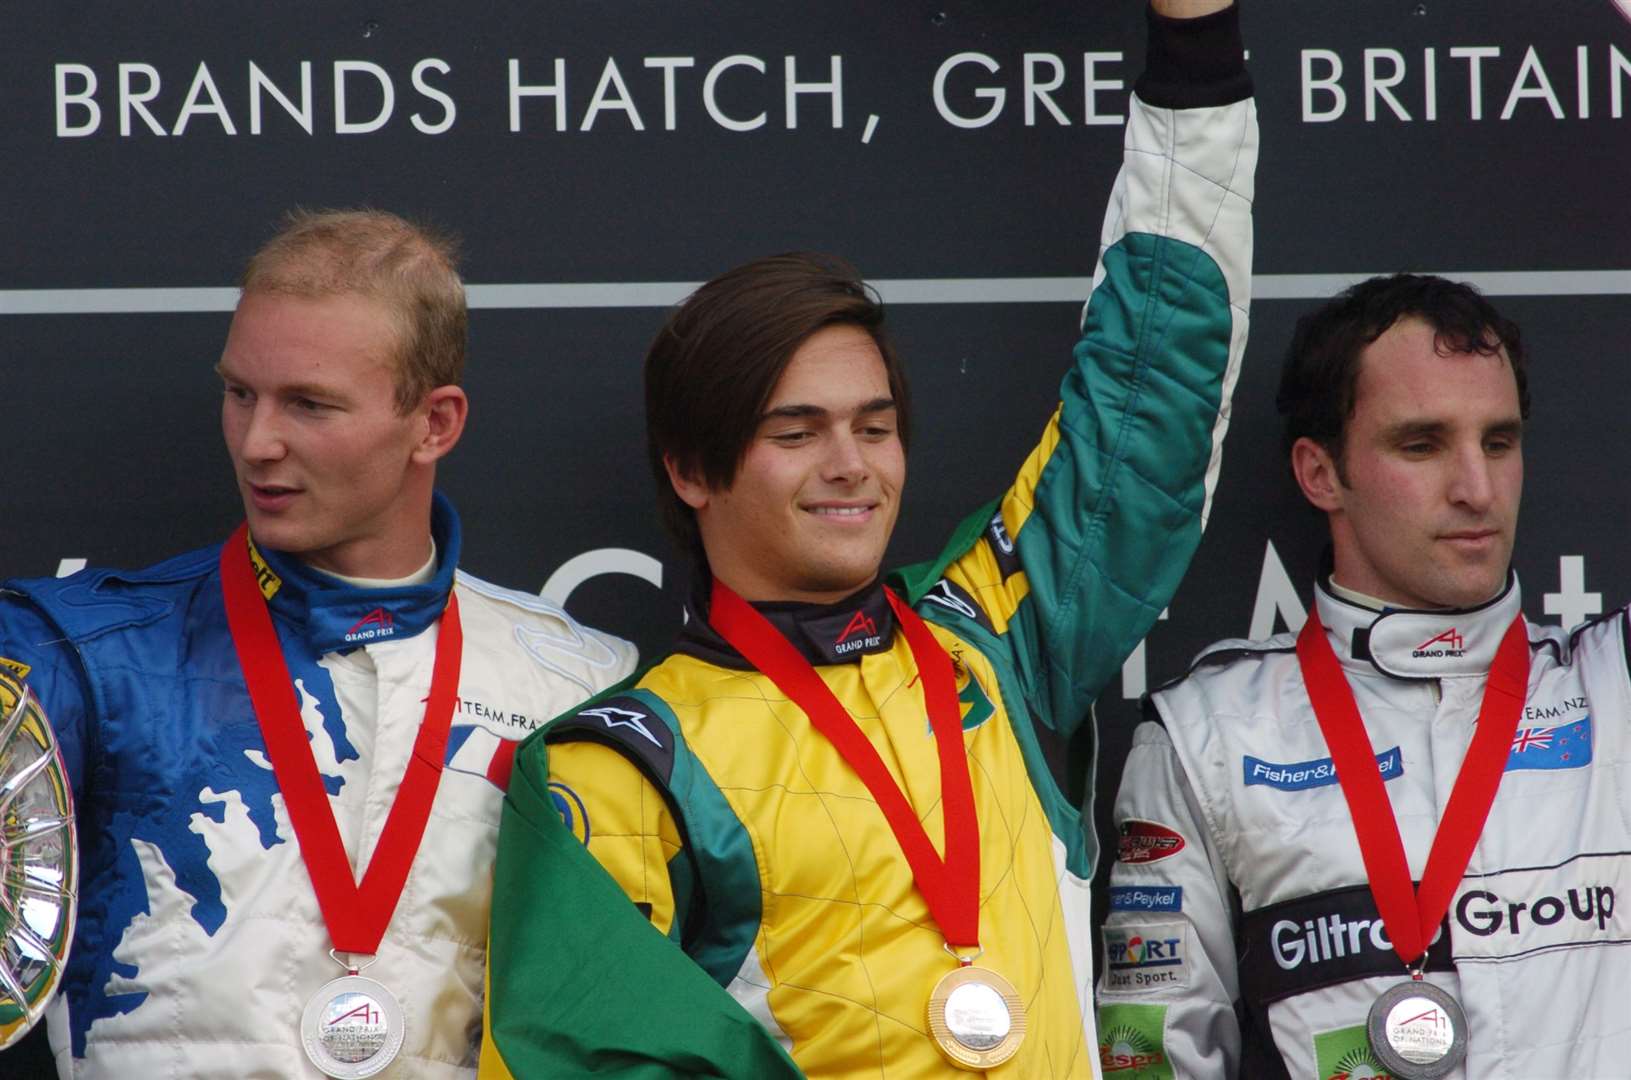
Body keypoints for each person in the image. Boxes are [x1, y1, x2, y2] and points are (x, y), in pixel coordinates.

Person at [481, 3, 1257, 1076]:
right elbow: (591, 1058)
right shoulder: (619, 764)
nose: (850, 464)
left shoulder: (994, 637)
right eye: (795, 433)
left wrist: (1196, 43)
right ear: (692, 468)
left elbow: (1148, 389)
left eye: (875, 427)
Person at [0, 209, 636, 1078]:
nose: (258, 443)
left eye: (309, 404)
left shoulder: (582, 683)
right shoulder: (81, 655)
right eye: (240, 393)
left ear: (434, 424)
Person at [1097, 274, 1631, 1078]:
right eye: (1420, 444)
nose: (1476, 489)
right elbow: (1151, 1059)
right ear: (1320, 474)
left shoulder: (1613, 685)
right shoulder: (1208, 735)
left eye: (1497, 441)